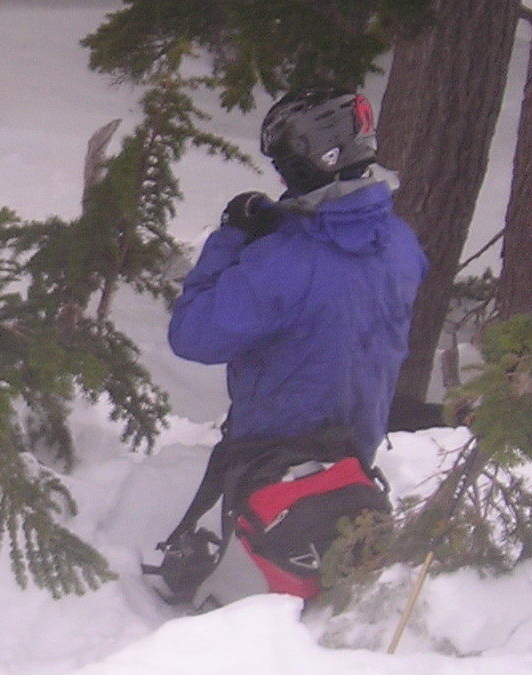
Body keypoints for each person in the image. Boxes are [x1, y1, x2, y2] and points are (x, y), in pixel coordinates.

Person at [151, 87, 426, 607]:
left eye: (284, 166)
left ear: (310, 164)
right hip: (357, 452)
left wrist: (232, 238)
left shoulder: (283, 263)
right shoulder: (400, 244)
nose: (280, 178)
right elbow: (340, 279)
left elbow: (191, 335)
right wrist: (285, 223)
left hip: (272, 459)